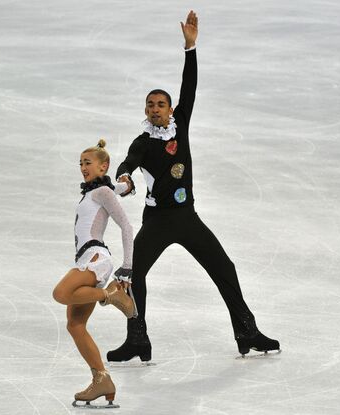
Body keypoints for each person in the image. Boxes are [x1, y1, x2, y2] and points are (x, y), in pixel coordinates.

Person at [107, 10, 280, 363]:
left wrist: (190, 48)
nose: (156, 109)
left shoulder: (179, 125)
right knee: (135, 274)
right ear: (146, 109)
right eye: (150, 105)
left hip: (187, 217)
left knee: (225, 269)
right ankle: (138, 339)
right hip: (157, 222)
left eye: (161, 104)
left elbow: (190, 86)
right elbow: (127, 163)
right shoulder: (143, 142)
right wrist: (124, 179)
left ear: (171, 109)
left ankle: (247, 331)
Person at [52, 139, 136, 408]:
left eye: (88, 163)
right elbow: (117, 187)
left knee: (62, 293)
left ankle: (110, 294)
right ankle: (101, 379)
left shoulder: (101, 192)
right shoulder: (99, 190)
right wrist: (127, 186)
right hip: (86, 258)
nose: (83, 168)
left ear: (104, 165)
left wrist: (128, 266)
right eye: (81, 163)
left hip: (97, 258)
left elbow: (126, 225)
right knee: (75, 325)